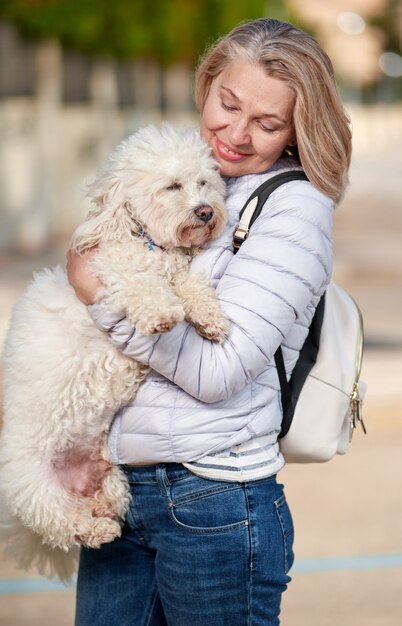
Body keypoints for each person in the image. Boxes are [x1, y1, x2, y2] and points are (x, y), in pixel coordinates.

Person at [67, 17, 351, 626]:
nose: (236, 135)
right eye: (227, 104)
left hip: (215, 499)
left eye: (267, 124)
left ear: (298, 128)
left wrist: (101, 295)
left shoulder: (295, 211)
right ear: (207, 82)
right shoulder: (186, 174)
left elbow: (220, 371)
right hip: (125, 493)